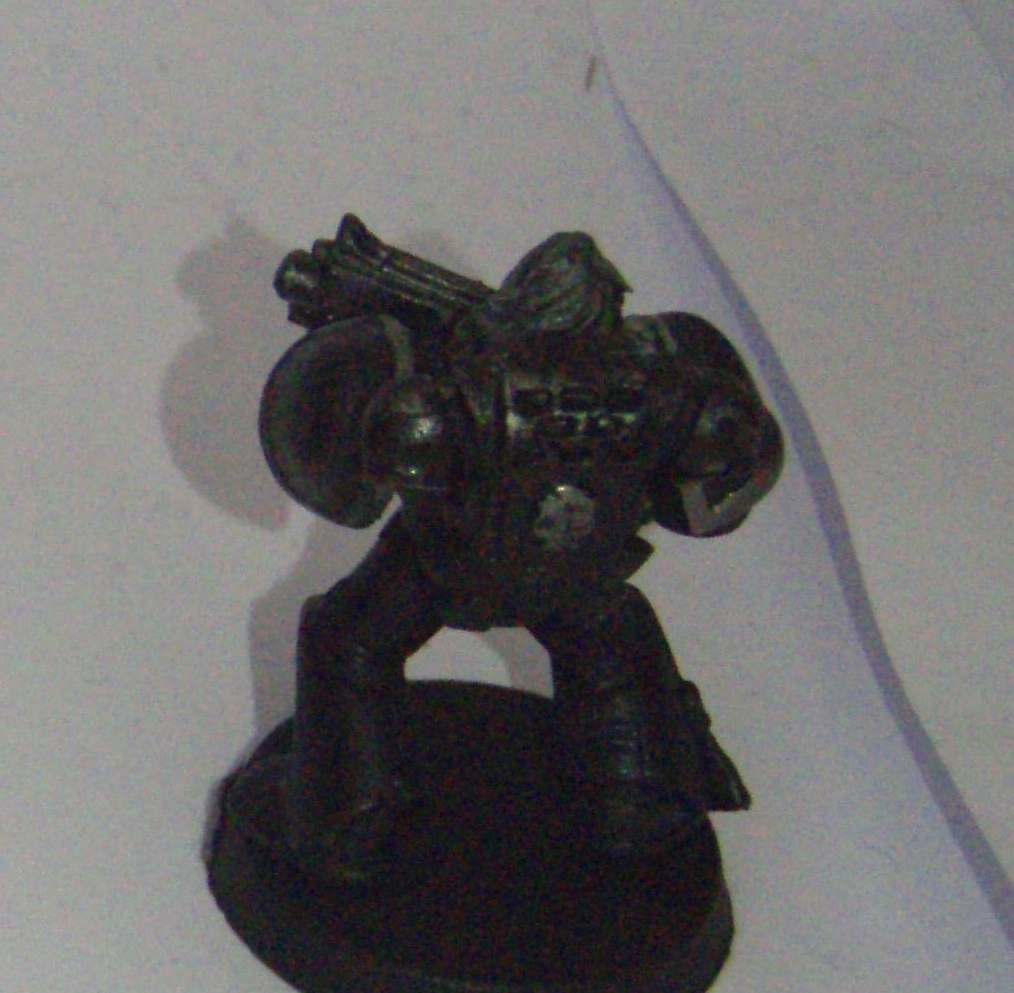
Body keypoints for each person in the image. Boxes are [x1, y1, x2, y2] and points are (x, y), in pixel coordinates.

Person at [262, 226, 784, 878]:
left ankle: (348, 815)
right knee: (621, 665)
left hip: (446, 565)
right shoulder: (670, 389)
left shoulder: (450, 389)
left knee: (347, 643)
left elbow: (397, 457)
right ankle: (641, 800)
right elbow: (722, 482)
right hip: (584, 578)